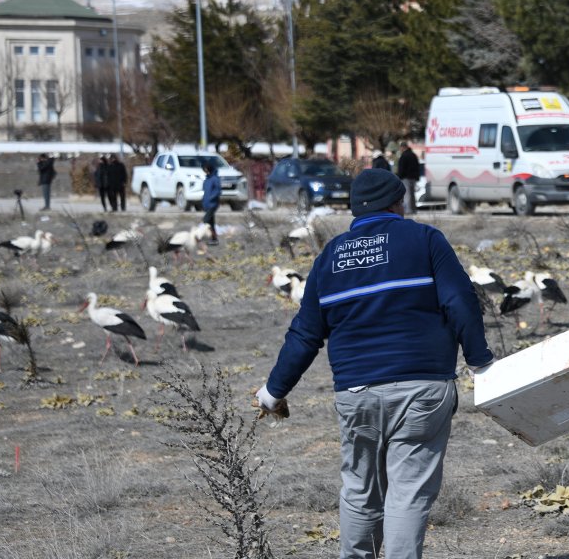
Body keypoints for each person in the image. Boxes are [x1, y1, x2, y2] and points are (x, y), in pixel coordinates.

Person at [254, 168, 493, 559]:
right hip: (423, 390)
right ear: (398, 202)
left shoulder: (329, 257)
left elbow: (304, 335)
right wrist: (480, 362)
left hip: (355, 392)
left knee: (360, 491)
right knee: (408, 493)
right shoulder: (424, 239)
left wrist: (273, 391)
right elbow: (460, 301)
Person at [396, 142, 421, 215]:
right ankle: (414, 209)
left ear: (403, 147)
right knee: (412, 194)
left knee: (407, 194)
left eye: (400, 148)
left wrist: (399, 177)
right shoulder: (413, 155)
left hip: (406, 177)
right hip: (413, 178)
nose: (400, 149)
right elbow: (417, 166)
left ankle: (408, 210)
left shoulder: (404, 156)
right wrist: (417, 177)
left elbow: (401, 168)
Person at [201, 164, 221, 245]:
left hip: (213, 204)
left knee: (206, 220)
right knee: (211, 222)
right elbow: (205, 192)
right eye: (204, 170)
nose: (205, 171)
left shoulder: (215, 179)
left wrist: (211, 198)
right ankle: (214, 239)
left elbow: (218, 191)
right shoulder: (206, 180)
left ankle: (211, 236)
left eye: (206, 169)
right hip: (207, 204)